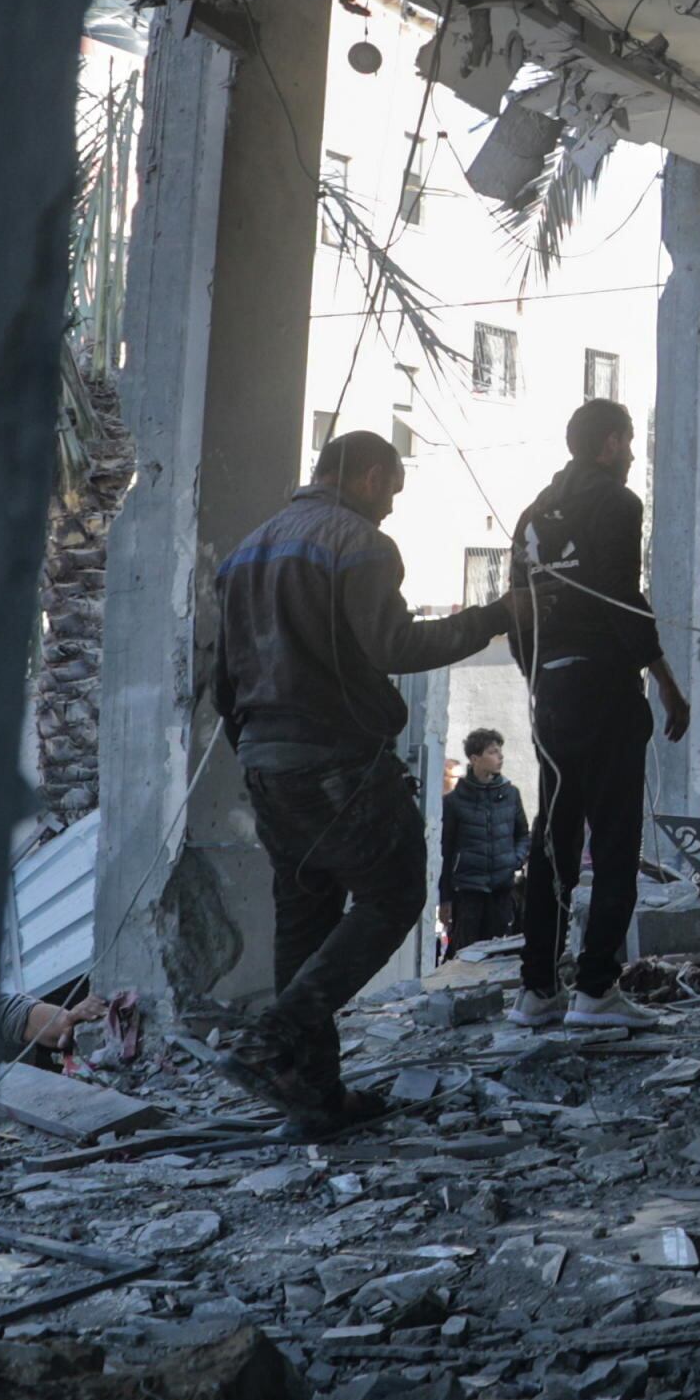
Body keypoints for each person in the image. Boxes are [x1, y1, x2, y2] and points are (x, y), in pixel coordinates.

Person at [205, 430, 508, 1121]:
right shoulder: (359, 543)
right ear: (371, 475)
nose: (392, 509)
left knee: (304, 915)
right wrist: (496, 616)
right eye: (393, 491)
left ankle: (311, 1097)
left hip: (265, 763)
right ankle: (277, 1034)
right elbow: (396, 644)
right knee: (394, 893)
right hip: (337, 759)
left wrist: (258, 752)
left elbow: (222, 683)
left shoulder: (246, 550)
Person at [506, 396, 690, 1026]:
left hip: (551, 699)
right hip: (605, 690)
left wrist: (538, 679)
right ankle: (595, 990)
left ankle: (536, 991)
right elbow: (619, 593)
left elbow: (517, 609)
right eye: (630, 442)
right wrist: (664, 678)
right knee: (614, 844)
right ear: (610, 443)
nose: (634, 455)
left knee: (554, 843)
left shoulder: (532, 514)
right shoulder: (617, 502)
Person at [436, 727, 529, 957]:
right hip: (468, 892)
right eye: (492, 752)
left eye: (500, 751)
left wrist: (513, 860)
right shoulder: (455, 802)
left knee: (501, 954)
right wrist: (445, 898)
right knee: (466, 955)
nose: (500, 757)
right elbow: (446, 852)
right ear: (475, 758)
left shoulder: (511, 795)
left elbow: (523, 835)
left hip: (502, 890)